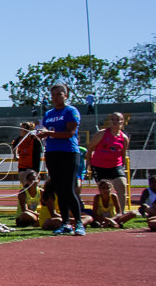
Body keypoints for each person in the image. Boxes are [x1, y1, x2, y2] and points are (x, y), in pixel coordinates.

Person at [37, 84, 86, 236]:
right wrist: (42, 134)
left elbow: (70, 133)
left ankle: (78, 222)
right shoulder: (49, 113)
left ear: (66, 95)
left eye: (59, 94)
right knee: (58, 189)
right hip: (52, 153)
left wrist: (50, 133)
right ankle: (65, 223)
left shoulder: (71, 111)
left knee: (69, 189)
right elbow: (46, 132)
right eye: (53, 95)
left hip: (68, 153)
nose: (56, 97)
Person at [86, 112, 130, 214]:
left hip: (115, 166)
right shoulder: (102, 134)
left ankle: (121, 213)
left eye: (118, 119)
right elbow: (90, 147)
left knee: (122, 185)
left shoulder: (124, 138)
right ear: (110, 121)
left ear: (122, 122)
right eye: (113, 119)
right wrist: (88, 163)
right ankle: (104, 213)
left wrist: (121, 166)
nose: (115, 122)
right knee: (105, 190)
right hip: (99, 166)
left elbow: (123, 154)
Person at [13, 121, 43, 187]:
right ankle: (29, 194)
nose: (20, 131)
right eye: (20, 129)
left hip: (32, 165)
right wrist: (15, 155)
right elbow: (14, 146)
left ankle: (37, 193)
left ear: (27, 130)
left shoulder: (34, 139)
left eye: (22, 129)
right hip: (22, 165)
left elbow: (40, 142)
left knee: (29, 181)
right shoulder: (19, 139)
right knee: (24, 182)